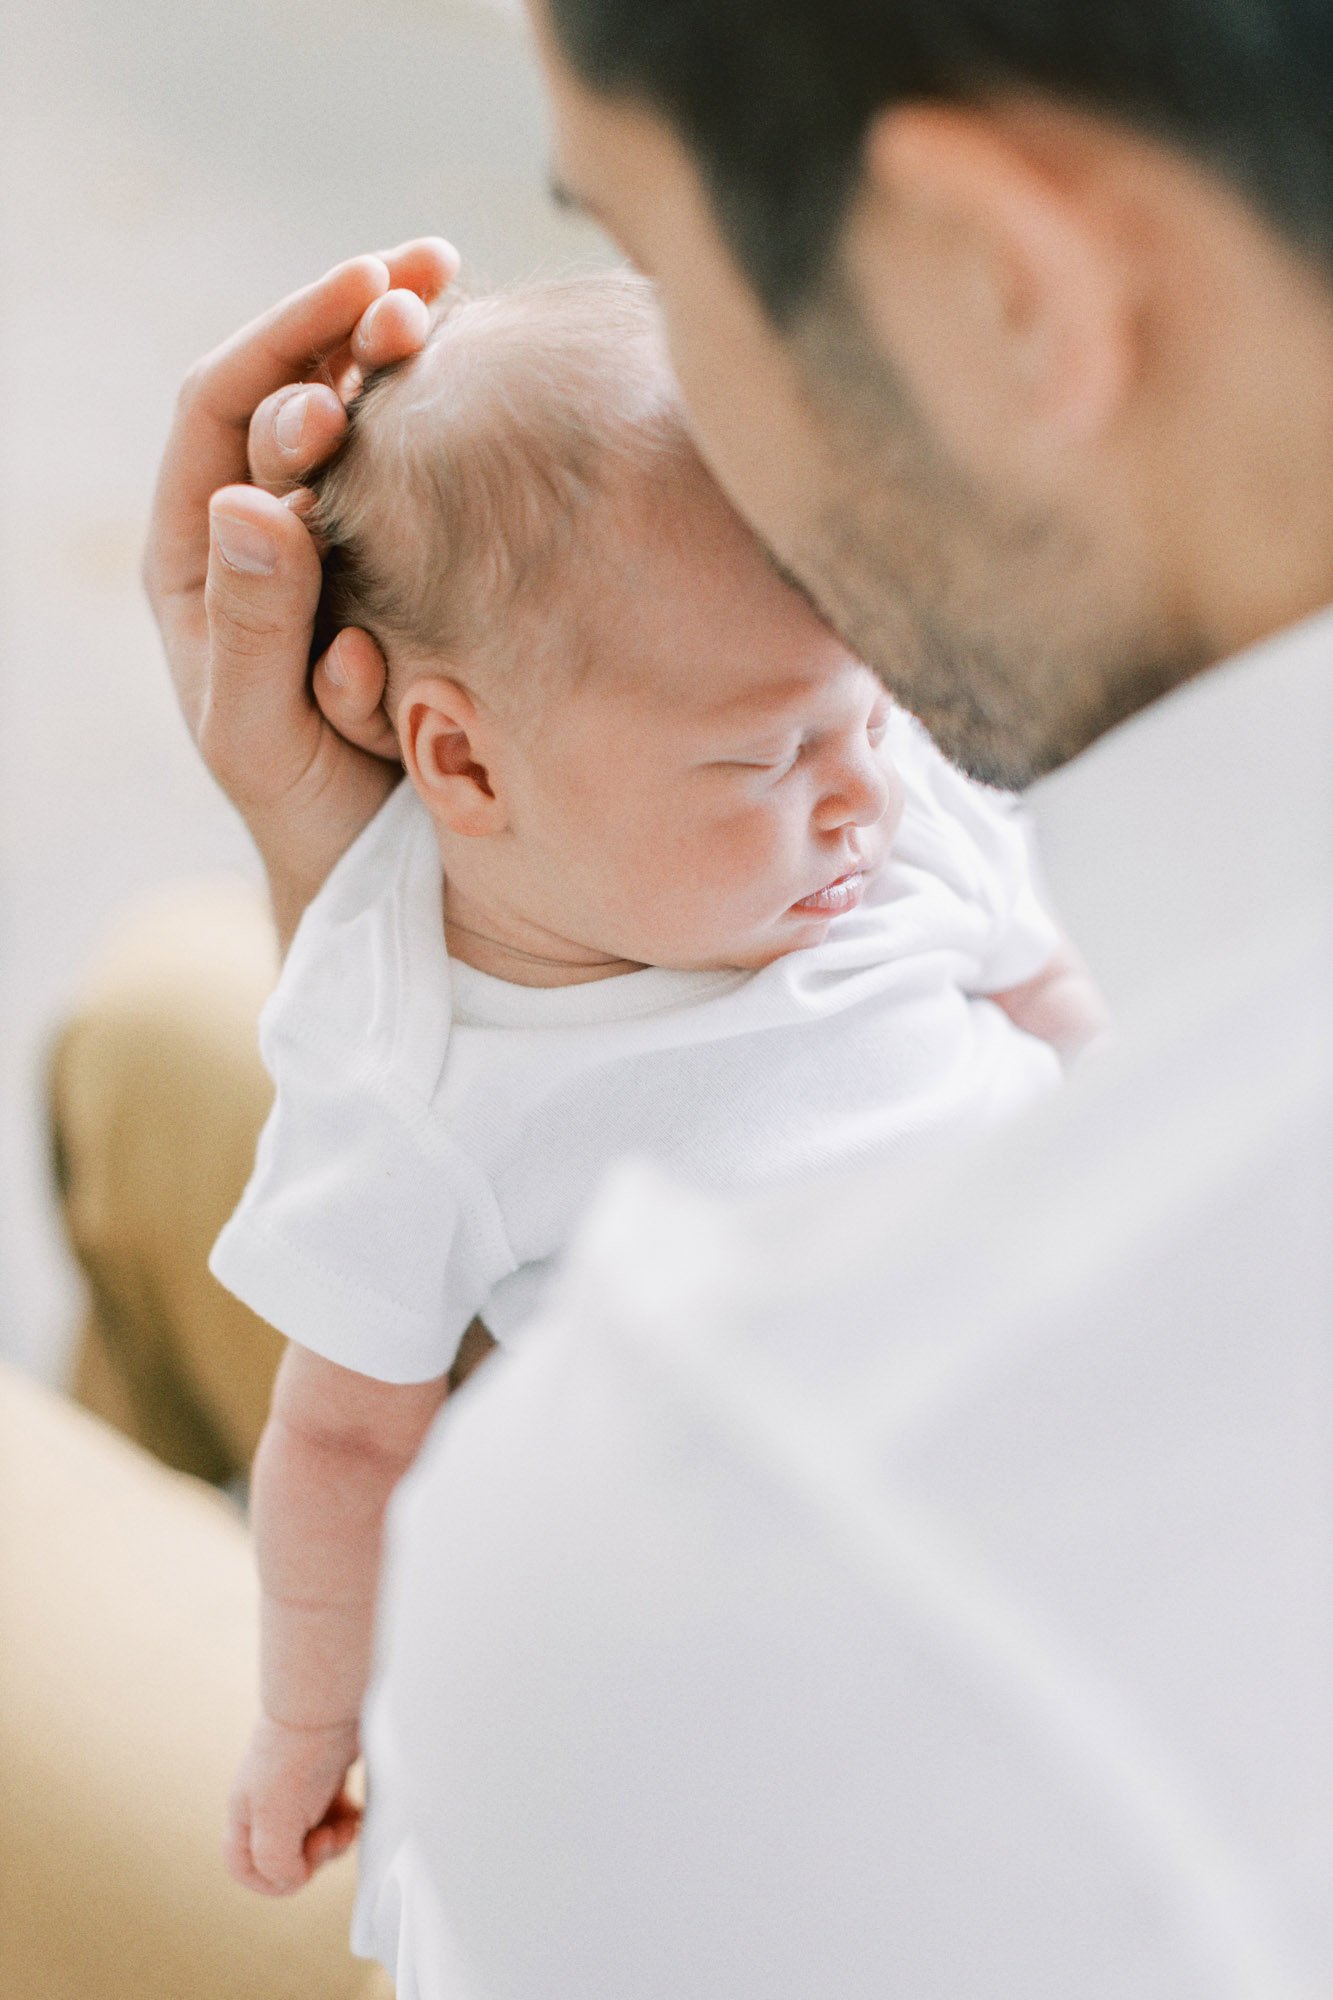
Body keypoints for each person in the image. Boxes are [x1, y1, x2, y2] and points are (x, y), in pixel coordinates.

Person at [139, 0, 1332, 1983]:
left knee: (127, 1068)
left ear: (994, 285)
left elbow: (405, 1497)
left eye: (659, 269)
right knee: (163, 1024)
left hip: (559, 1748)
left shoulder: (691, 1557)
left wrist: (311, 1728)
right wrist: (357, 894)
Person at [213, 270, 1099, 1904]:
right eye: (769, 758)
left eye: (877, 706)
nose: (860, 798)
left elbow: (1075, 1030)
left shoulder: (897, 825)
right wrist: (301, 1718)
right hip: (760, 1638)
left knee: (146, 1026)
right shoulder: (411, 1062)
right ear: (460, 761)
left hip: (1059, 1470)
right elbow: (341, 1446)